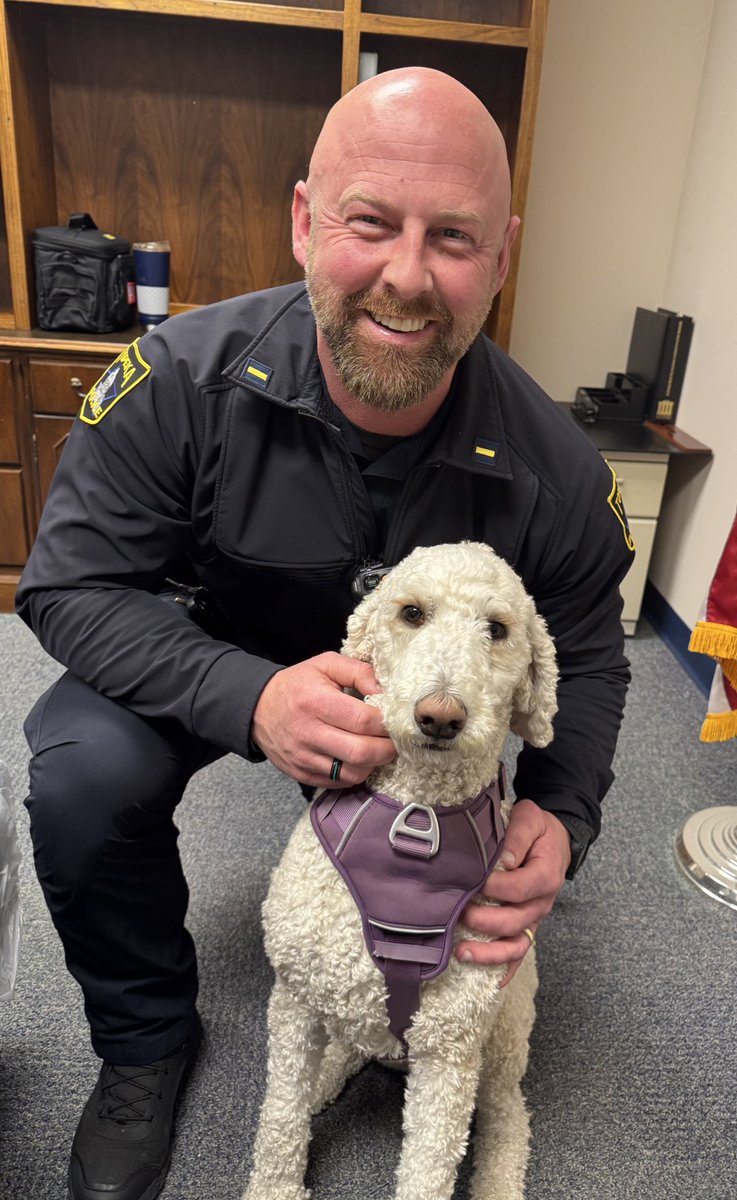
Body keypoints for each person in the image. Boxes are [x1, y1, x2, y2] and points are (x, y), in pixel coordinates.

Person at [16, 67, 633, 1200]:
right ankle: (146, 1038)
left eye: (453, 236)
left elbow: (588, 656)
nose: (407, 275)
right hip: (213, 647)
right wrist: (244, 695)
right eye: (370, 221)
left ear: (500, 256)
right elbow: (70, 586)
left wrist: (563, 814)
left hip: (428, 717)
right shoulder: (177, 381)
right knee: (80, 773)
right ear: (305, 222)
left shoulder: (558, 474)